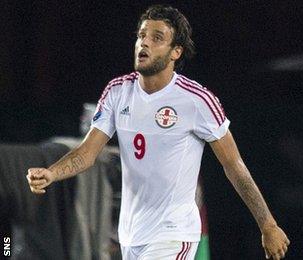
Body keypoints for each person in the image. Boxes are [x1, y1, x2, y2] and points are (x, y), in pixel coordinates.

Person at [25, 5, 289, 260]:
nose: (144, 43)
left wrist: (267, 225)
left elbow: (233, 164)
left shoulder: (196, 100)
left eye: (156, 37)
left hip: (173, 235)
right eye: (141, 36)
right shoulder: (118, 91)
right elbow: (87, 153)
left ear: (176, 52)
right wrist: (52, 173)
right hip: (130, 235)